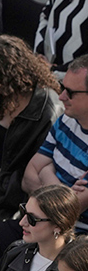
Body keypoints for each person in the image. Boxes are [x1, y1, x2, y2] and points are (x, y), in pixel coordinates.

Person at [0, 36, 64, 224]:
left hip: (7, 199)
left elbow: (29, 175)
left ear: (13, 77)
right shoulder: (0, 95)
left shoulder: (47, 111)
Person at [27, 55, 88, 230]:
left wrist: (46, 171)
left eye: (70, 92)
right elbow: (28, 176)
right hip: (38, 225)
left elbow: (67, 210)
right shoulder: (66, 120)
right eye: (62, 87)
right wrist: (64, 191)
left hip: (75, 239)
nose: (61, 97)